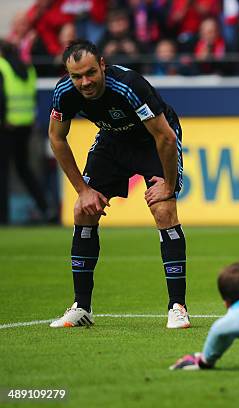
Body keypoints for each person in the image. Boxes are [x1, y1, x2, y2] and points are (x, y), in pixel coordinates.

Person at [48, 40, 190, 329]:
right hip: (113, 141)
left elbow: (166, 138)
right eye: (77, 76)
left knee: (164, 210)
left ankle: (177, 307)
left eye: (90, 73)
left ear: (102, 64)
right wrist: (83, 190)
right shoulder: (64, 93)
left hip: (154, 141)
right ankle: (81, 308)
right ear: (68, 74)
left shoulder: (129, 85)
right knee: (82, 210)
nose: (85, 82)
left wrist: (168, 185)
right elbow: (57, 138)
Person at [0, 40, 51, 225]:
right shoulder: (27, 68)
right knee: (23, 169)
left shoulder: (2, 67)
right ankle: (45, 208)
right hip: (25, 125)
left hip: (5, 126)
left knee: (3, 172)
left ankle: (3, 218)